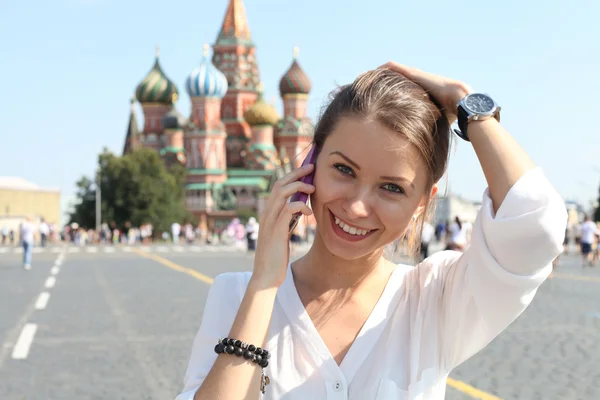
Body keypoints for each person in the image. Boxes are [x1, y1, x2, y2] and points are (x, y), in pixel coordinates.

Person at [176, 64, 566, 399]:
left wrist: (469, 105)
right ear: (310, 164)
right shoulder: (236, 296)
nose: (357, 206)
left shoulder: (435, 300)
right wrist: (263, 285)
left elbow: (536, 225)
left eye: (392, 187)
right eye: (343, 170)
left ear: (421, 204)